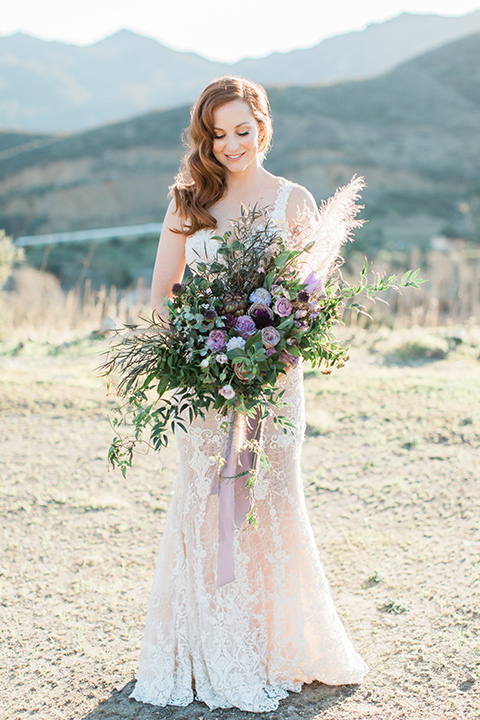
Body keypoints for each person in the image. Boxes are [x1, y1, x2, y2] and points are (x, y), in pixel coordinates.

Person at [129, 76, 369, 713]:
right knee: (209, 510)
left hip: (271, 388)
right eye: (218, 133)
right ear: (205, 138)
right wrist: (199, 349)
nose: (232, 144)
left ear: (263, 126)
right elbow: (160, 297)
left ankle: (273, 643)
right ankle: (214, 643)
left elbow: (309, 305)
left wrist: (266, 353)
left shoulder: (294, 201)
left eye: (242, 129)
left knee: (268, 501)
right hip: (207, 389)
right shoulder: (189, 202)